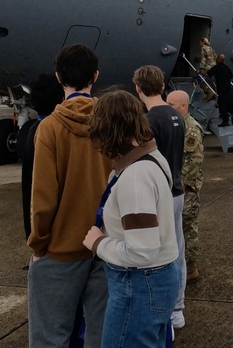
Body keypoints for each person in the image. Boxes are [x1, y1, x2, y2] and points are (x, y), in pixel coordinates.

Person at [27, 44, 113, 348]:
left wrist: (39, 242)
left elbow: (43, 197)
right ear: (96, 76)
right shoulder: (111, 123)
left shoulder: (49, 128)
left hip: (61, 248)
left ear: (58, 77)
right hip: (106, 245)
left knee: (50, 336)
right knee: (102, 335)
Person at [84, 90, 180, 348]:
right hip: (156, 280)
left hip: (138, 284)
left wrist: (99, 243)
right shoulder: (152, 158)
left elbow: (142, 253)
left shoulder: (135, 177)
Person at [132, 65, 187, 329]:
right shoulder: (177, 117)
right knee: (178, 250)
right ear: (163, 87)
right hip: (177, 190)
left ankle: (164, 312)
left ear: (138, 88)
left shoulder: (148, 121)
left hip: (159, 196)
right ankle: (177, 308)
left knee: (158, 255)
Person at [166, 90, 204, 283]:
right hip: (176, 186)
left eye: (171, 105)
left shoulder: (190, 129)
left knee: (187, 228)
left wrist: (182, 185)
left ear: (183, 106)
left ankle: (190, 268)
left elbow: (194, 160)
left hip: (186, 188)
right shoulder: (175, 124)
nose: (167, 108)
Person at [21, 73, 65, 239]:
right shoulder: (55, 132)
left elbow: (32, 192)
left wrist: (34, 238)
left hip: (42, 235)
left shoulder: (35, 132)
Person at [207, 53, 233, 126]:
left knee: (222, 102)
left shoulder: (216, 67)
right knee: (223, 100)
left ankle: (225, 120)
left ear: (218, 59)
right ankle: (224, 114)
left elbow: (209, 74)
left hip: (221, 86)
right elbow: (231, 76)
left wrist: (200, 72)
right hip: (227, 86)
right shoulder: (226, 67)